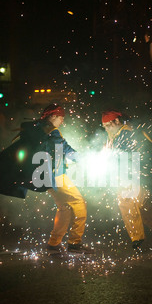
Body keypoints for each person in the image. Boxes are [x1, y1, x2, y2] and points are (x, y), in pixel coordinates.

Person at [36, 103, 92, 255]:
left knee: (65, 208)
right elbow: (62, 147)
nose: (62, 121)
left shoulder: (42, 129)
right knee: (79, 203)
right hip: (55, 175)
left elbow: (62, 149)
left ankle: (53, 244)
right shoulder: (50, 131)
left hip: (48, 175)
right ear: (53, 116)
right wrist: (82, 159)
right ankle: (75, 243)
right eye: (61, 117)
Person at [101, 109, 152, 251]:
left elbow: (124, 155)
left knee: (126, 202)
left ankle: (138, 238)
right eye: (105, 127)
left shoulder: (126, 134)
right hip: (141, 173)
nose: (107, 129)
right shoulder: (126, 131)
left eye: (109, 125)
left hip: (130, 174)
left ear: (117, 121)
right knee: (142, 201)